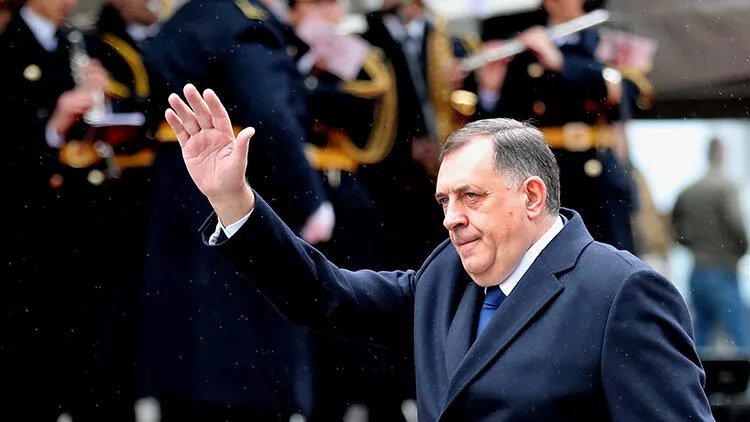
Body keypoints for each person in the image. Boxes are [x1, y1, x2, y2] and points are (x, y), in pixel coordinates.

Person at [164, 85, 713, 421]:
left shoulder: (620, 291)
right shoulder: (445, 278)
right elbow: (324, 295)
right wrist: (232, 200)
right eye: (444, 200)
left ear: (531, 196)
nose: (451, 217)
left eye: (471, 196)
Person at [135, 0, 332, 419]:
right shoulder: (244, 24)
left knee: (186, 363)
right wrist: (310, 198)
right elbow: (271, 116)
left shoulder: (187, 17)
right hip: (234, 193)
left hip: (177, 195)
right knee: (247, 361)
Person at [284, 0, 408, 419]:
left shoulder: (355, 57)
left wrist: (310, 86)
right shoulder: (278, 48)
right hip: (297, 191)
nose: (331, 13)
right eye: (318, 4)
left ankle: (372, 401)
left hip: (346, 194)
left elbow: (366, 111)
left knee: (355, 301)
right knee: (308, 308)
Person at [1, 0, 108, 418]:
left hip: (76, 219)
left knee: (77, 334)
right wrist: (52, 127)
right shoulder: (10, 44)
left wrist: (100, 100)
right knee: (27, 344)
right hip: (24, 223)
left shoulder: (73, 43)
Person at [56, 1, 161, 420]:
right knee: (99, 320)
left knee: (134, 321)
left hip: (143, 200)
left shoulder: (154, 39)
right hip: (100, 203)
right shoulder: (96, 42)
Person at [473, 0, 643, 253]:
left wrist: (561, 63)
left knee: (609, 256)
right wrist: (490, 89)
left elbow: (630, 97)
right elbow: (502, 124)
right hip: (542, 171)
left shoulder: (605, 42)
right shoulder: (525, 49)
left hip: (596, 172)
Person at [360, 0, 477, 270]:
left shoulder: (448, 40)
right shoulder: (367, 42)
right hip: (392, 177)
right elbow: (363, 118)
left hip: (445, 161)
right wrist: (405, 148)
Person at [672, 138, 749, 352]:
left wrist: (691, 244)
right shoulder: (726, 187)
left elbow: (675, 227)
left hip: (698, 270)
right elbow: (736, 225)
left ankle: (698, 376)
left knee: (700, 338)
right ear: (722, 154)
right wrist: (741, 249)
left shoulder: (688, 191)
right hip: (723, 269)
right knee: (741, 337)